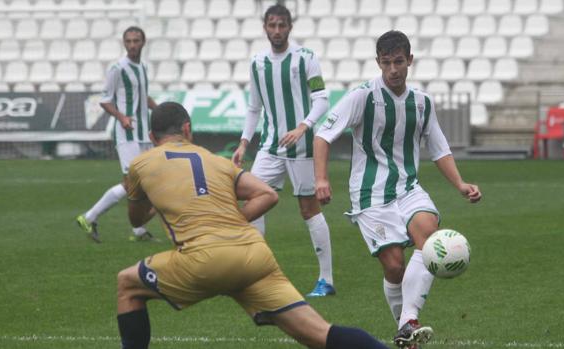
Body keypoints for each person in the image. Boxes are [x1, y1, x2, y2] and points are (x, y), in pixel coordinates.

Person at [116, 101, 392, 349]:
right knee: (319, 333)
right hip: (253, 255)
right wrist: (232, 222)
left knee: (127, 284)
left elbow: (136, 219)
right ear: (188, 129)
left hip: (204, 260)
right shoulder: (218, 162)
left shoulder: (140, 164)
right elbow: (267, 194)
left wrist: (157, 198)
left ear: (152, 137)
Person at [313, 30, 482, 349]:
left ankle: (408, 321)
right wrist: (321, 179)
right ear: (378, 62)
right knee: (393, 266)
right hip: (370, 195)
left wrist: (461, 185)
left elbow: (439, 148)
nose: (393, 69)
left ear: (410, 61)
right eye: (387, 62)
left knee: (429, 238)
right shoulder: (363, 96)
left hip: (408, 188)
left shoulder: (422, 103)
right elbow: (323, 136)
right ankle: (406, 329)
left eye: (399, 62)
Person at [231, 4, 335, 297]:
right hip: (270, 147)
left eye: (282, 25)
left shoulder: (305, 58)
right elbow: (254, 108)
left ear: (290, 27)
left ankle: (326, 280)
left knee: (308, 209)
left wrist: (303, 126)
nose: (277, 31)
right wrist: (243, 143)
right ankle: (256, 272)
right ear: (265, 27)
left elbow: (322, 99)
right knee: (253, 197)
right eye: (272, 25)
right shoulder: (257, 63)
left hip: (302, 148)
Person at [76, 26, 158, 242]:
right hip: (127, 134)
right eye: (129, 41)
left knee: (150, 182)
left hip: (143, 134)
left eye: (136, 40)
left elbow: (143, 96)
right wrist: (121, 117)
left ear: (143, 42)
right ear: (124, 44)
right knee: (131, 184)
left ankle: (138, 230)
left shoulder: (143, 67)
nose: (132, 45)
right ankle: (89, 217)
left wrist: (158, 110)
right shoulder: (117, 68)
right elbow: (104, 99)